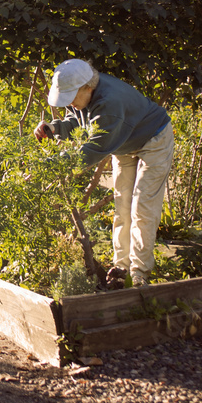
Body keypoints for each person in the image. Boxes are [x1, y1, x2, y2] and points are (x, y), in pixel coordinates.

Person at [34, 59, 174, 287]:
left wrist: (53, 166)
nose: (68, 103)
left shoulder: (110, 103)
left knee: (143, 206)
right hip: (125, 142)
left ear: (88, 88)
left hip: (154, 138)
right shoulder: (82, 95)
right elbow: (77, 120)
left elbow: (94, 149)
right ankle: (121, 267)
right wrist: (54, 128)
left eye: (71, 97)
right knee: (122, 205)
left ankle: (140, 274)